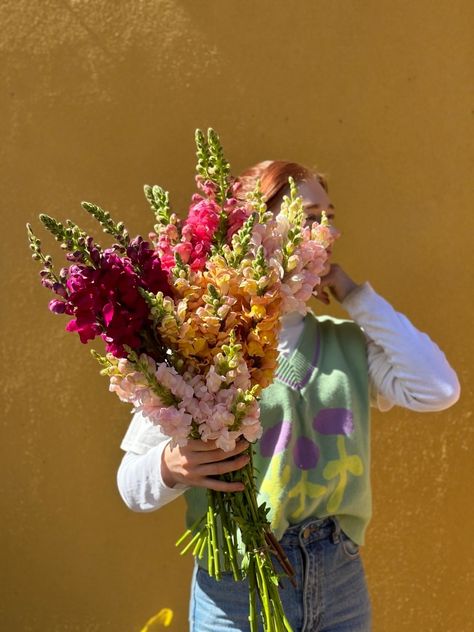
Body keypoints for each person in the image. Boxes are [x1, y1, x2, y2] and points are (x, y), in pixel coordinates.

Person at [116, 160, 460, 632]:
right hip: (237, 595)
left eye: (330, 216)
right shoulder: (201, 347)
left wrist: (354, 294)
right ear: (254, 229)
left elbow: (438, 389)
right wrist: (172, 466)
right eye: (310, 216)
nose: (329, 230)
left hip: (339, 581)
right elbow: (131, 485)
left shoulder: (346, 345)